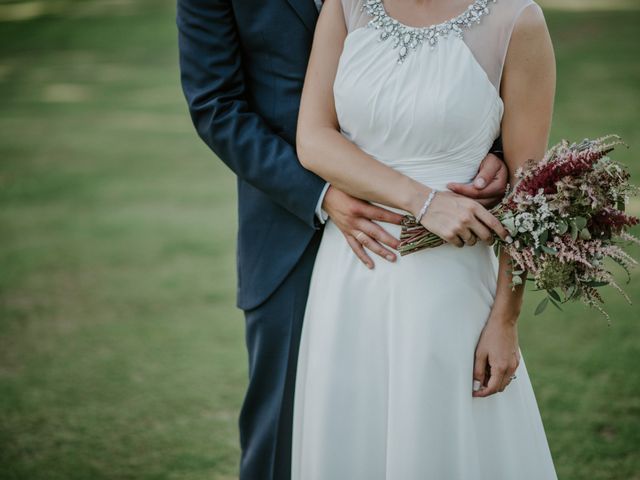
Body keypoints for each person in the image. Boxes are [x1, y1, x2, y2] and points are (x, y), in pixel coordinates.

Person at [176, 0, 509, 478]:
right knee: (287, 442)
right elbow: (216, 106)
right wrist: (320, 192)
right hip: (291, 230)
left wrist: (488, 148)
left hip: (427, 240)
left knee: (428, 425)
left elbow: (458, 37)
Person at [291, 0, 558, 478]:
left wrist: (506, 320)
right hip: (352, 268)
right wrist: (423, 201)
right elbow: (313, 138)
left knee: (441, 442)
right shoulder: (346, 5)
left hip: (449, 282)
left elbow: (528, 196)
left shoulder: (518, 20)